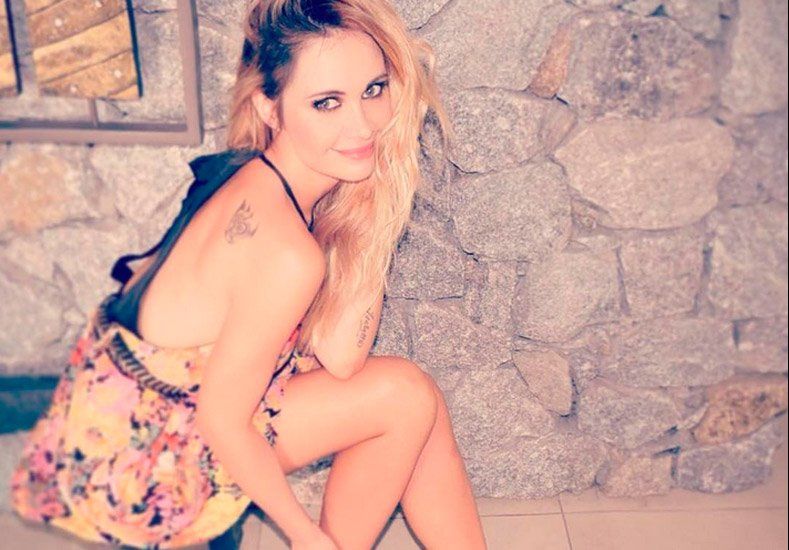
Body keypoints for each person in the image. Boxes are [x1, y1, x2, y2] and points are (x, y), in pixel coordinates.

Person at [9, 1, 488, 549]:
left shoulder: (263, 173)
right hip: (140, 460)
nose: (362, 125)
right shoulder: (285, 251)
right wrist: (306, 537)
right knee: (403, 397)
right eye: (326, 102)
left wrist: (374, 214)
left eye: (373, 90)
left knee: (415, 399)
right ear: (270, 108)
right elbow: (222, 422)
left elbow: (341, 358)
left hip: (141, 417)